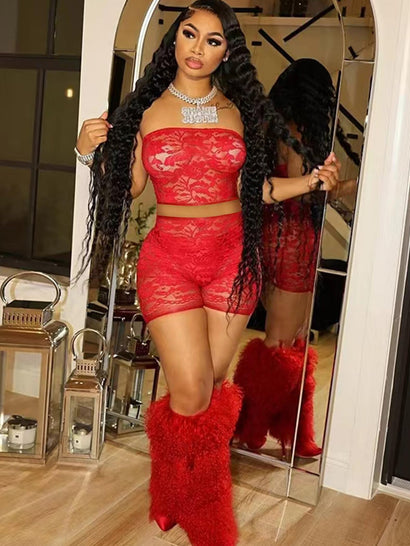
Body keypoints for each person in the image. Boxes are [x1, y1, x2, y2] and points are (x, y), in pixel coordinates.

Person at [75, 5, 340, 545]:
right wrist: (86, 152)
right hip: (168, 261)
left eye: (213, 40)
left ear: (227, 52)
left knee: (211, 385)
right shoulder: (144, 111)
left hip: (232, 263)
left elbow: (257, 191)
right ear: (174, 40)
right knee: (192, 387)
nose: (197, 48)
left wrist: (313, 182)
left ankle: (170, 488)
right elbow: (130, 187)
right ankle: (209, 516)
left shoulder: (239, 111)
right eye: (189, 34)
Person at [233, 59, 359, 459]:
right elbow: (307, 191)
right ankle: (249, 429)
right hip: (292, 242)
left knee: (290, 345)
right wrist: (353, 184)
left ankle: (284, 432)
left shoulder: (274, 127)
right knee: (282, 345)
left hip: (278, 239)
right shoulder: (297, 132)